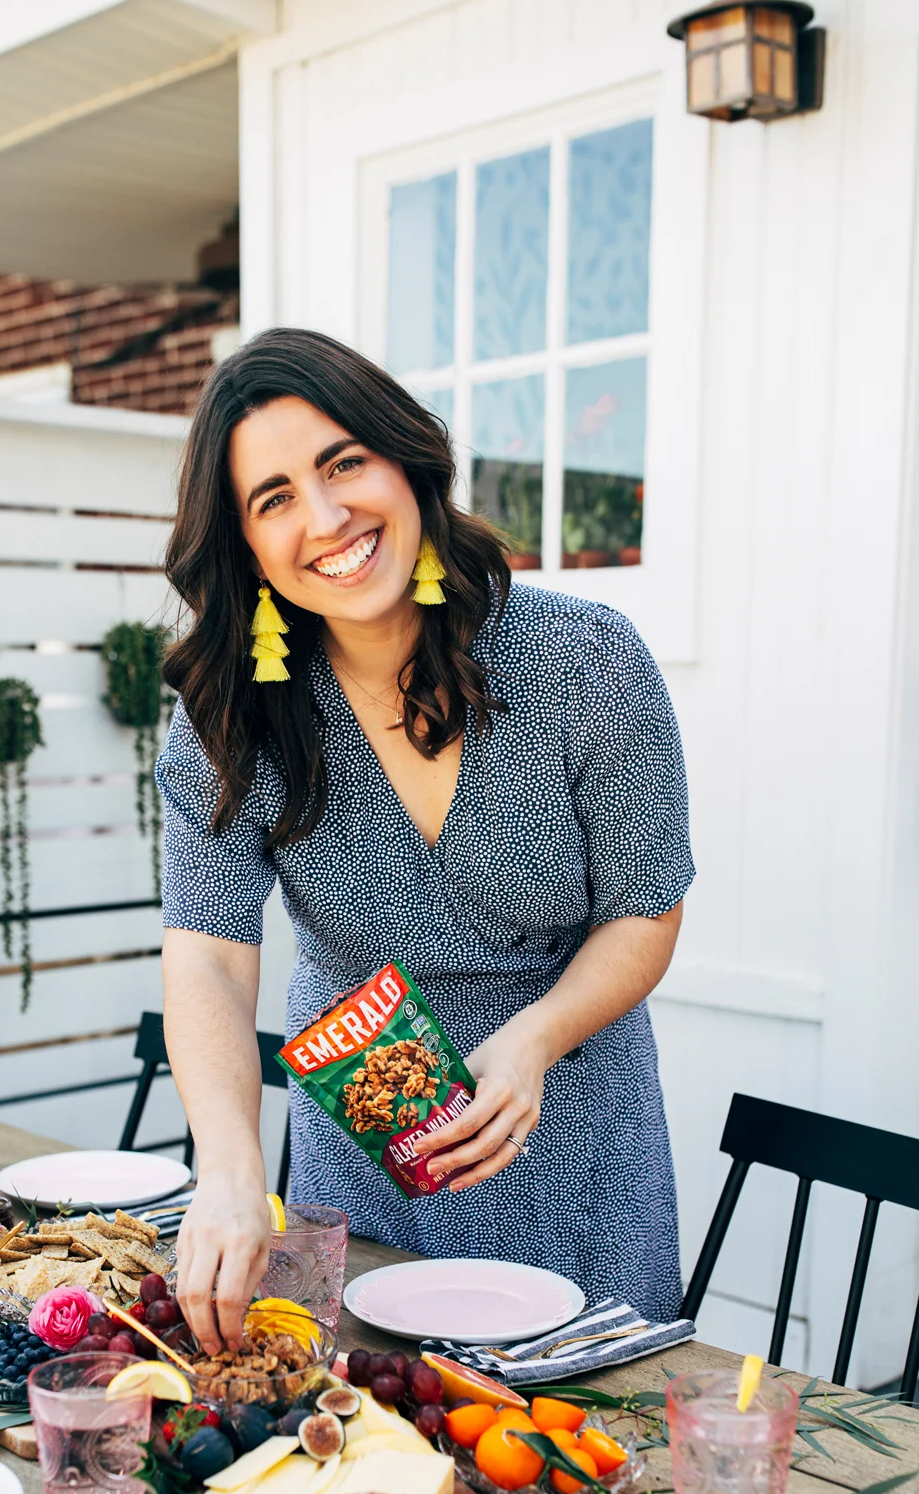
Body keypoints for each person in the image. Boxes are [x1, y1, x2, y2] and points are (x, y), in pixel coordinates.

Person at [156, 327, 694, 1353]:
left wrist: (535, 1038)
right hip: (357, 1153)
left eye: (343, 463)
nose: (326, 518)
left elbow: (647, 908)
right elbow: (210, 958)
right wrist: (227, 1167)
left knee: (586, 1471)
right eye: (274, 499)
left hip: (567, 1127)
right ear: (247, 544)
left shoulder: (586, 663)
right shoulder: (231, 714)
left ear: (404, 460)